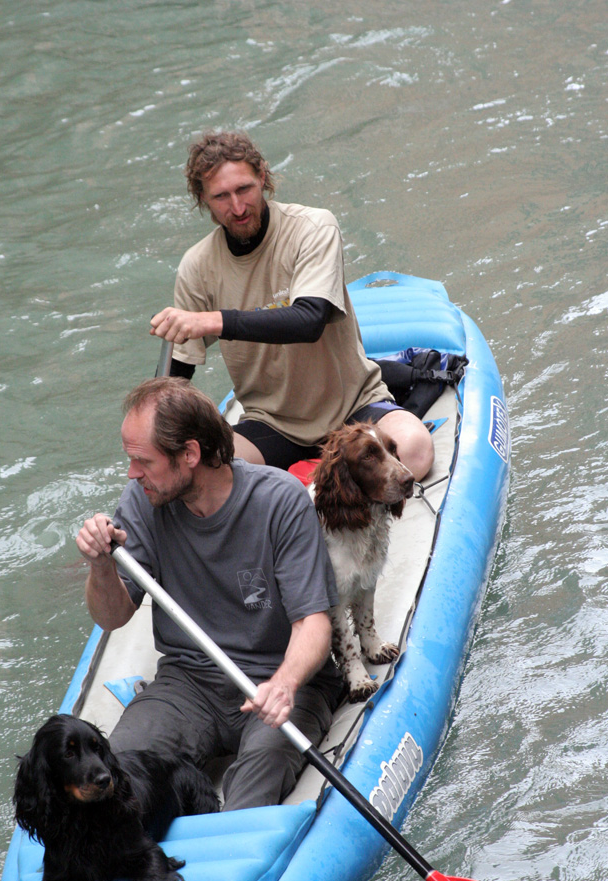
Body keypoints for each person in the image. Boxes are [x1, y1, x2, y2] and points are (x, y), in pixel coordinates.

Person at [75, 377, 344, 812]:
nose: (132, 473)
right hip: (188, 682)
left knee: (256, 782)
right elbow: (112, 617)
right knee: (120, 774)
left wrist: (283, 684)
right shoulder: (142, 500)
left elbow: (313, 623)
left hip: (276, 678)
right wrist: (101, 565)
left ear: (190, 454)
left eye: (143, 460)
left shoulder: (280, 500)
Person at [149, 129, 433, 480]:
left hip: (354, 407)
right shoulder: (196, 266)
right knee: (203, 474)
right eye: (221, 196)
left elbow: (309, 320)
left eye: (244, 189)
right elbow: (177, 376)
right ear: (203, 200)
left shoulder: (313, 228)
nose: (237, 207)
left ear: (263, 178)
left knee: (415, 450)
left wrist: (215, 321)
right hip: (270, 423)